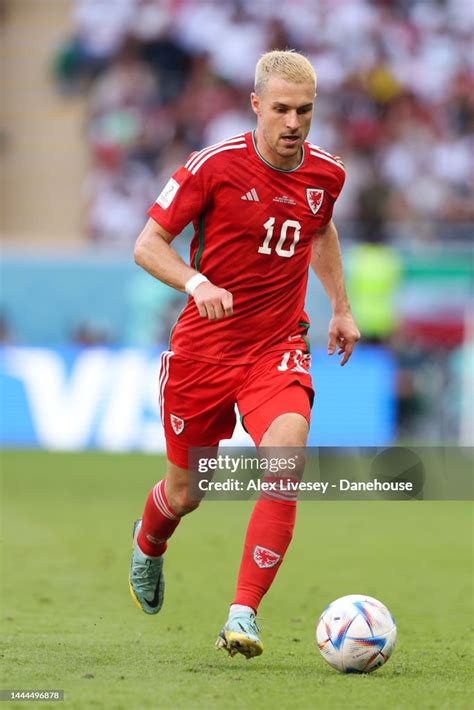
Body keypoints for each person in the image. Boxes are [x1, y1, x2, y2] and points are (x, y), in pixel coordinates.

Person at [129, 50, 360, 659]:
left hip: (275, 347)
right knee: (185, 494)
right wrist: (196, 283)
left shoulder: (327, 174)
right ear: (256, 105)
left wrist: (339, 306)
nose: (293, 123)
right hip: (203, 354)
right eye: (280, 109)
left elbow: (321, 227)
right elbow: (147, 244)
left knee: (286, 457)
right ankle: (149, 541)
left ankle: (243, 615)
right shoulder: (213, 167)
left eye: (304, 111)